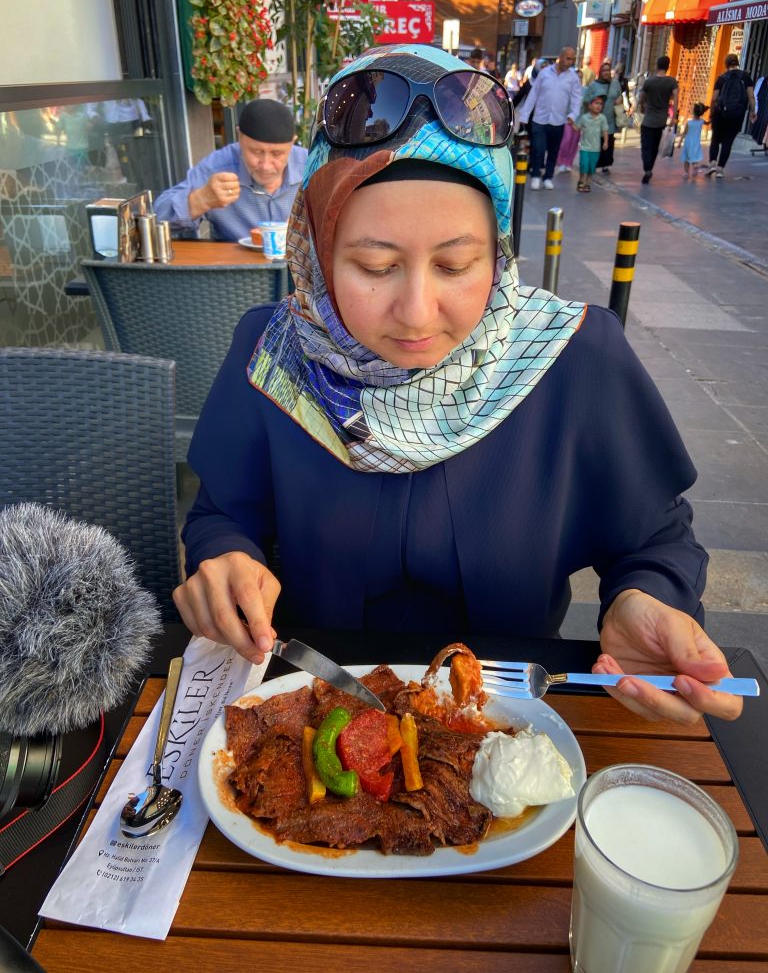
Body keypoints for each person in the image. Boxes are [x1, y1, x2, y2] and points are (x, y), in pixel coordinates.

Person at [174, 43, 743, 728]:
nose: (416, 312)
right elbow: (220, 513)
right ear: (319, 254)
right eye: (374, 266)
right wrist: (222, 559)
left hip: (514, 735)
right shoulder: (274, 356)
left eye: (455, 265)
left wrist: (646, 599)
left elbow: (656, 539)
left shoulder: (569, 359)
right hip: (309, 718)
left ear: (498, 249)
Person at [154, 99, 308, 241]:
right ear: (239, 136)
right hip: (238, 267)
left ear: (292, 143)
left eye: (277, 154)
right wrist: (200, 199)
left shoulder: (311, 167)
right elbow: (157, 218)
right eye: (256, 152)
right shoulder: (217, 167)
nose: (266, 165)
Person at [517, 46, 582, 189]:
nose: (570, 62)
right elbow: (534, 94)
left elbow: (577, 98)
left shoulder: (573, 78)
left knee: (553, 151)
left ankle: (548, 177)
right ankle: (535, 175)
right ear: (560, 57)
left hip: (558, 121)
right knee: (538, 148)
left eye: (572, 59)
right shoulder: (544, 73)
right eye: (568, 58)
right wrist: (525, 115)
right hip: (540, 118)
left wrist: (572, 115)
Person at [707, 54, 757, 178]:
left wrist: (712, 112)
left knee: (715, 139)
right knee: (727, 141)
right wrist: (753, 111)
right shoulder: (745, 77)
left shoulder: (721, 78)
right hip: (736, 114)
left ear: (726, 64)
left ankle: (712, 163)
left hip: (720, 113)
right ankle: (720, 169)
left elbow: (714, 99)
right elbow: (751, 96)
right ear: (737, 63)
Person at [637, 55, 678, 185]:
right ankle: (650, 167)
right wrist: (674, 116)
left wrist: (642, 106)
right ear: (667, 67)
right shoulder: (671, 81)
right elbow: (676, 97)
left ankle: (647, 168)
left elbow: (641, 97)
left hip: (648, 119)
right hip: (661, 120)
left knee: (646, 146)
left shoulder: (649, 81)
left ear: (657, 65)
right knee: (654, 146)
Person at [582, 60, 622, 174]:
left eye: (608, 70)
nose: (606, 72)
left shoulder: (615, 83)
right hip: (596, 118)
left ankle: (606, 164)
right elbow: (585, 100)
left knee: (608, 142)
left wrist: (620, 99)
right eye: (604, 70)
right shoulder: (594, 85)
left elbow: (620, 96)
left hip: (610, 118)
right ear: (600, 72)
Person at [574, 95, 609, 192]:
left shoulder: (602, 118)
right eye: (596, 103)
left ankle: (587, 183)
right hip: (585, 147)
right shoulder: (584, 118)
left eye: (600, 104)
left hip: (595, 149)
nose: (598, 106)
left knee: (591, 167)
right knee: (584, 165)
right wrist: (571, 123)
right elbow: (577, 128)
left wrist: (606, 142)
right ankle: (581, 181)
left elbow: (605, 131)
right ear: (589, 106)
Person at [678, 102, 708, 178]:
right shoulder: (701, 121)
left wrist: (679, 142)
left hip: (688, 142)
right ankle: (695, 167)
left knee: (686, 159)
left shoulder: (689, 122)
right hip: (696, 142)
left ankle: (686, 173)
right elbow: (707, 123)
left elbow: (684, 133)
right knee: (694, 157)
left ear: (693, 112)